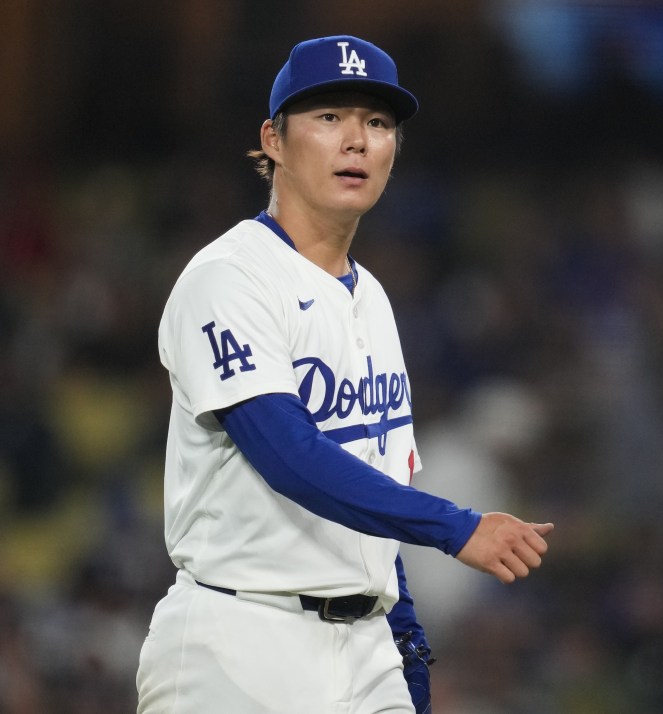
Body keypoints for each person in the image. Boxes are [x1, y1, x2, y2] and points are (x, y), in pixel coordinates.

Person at [136, 34, 554, 714]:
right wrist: (457, 527)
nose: (357, 140)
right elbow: (288, 455)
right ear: (273, 139)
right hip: (240, 641)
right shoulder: (229, 278)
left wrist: (409, 649)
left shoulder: (374, 300)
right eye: (329, 117)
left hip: (364, 650)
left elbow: (374, 493)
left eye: (378, 122)